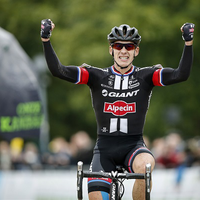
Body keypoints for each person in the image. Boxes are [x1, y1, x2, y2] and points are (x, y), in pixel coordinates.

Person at [40, 19, 194, 200]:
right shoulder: (96, 76)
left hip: (134, 146)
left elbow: (180, 74)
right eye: (118, 46)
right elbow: (59, 71)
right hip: (104, 149)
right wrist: (46, 40)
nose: (123, 51)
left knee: (146, 165)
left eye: (129, 47)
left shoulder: (146, 75)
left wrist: (188, 43)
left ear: (136, 51)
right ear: (110, 49)